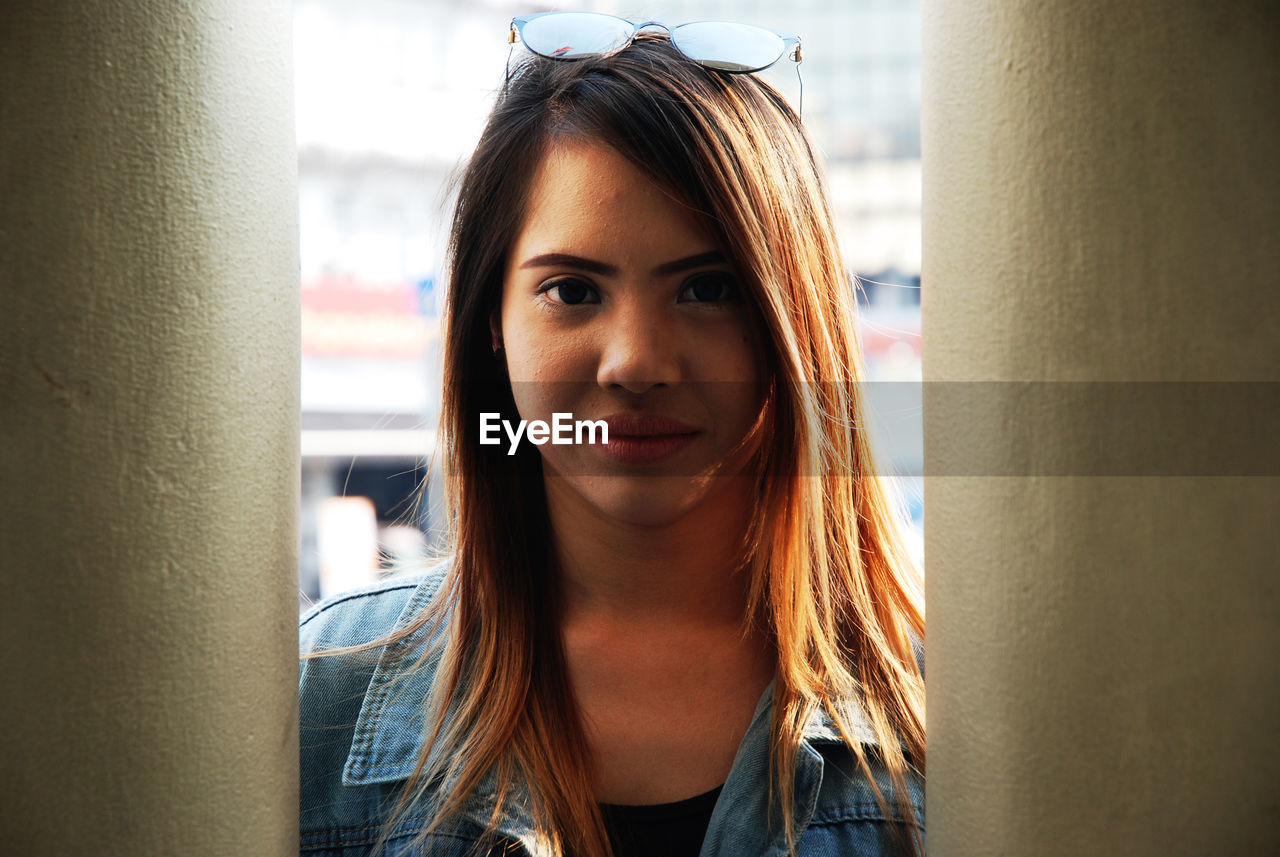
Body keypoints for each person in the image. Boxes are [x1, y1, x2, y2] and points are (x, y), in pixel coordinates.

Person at [300, 14, 925, 857]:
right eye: (572, 290)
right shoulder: (316, 693)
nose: (637, 363)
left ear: (795, 323)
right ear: (491, 319)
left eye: (707, 289)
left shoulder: (958, 712)